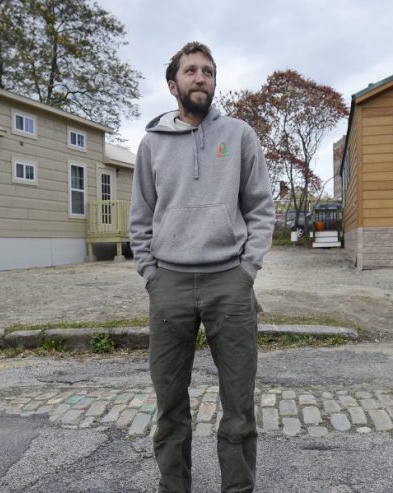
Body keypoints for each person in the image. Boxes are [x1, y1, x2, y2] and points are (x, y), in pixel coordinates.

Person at [129, 41, 275, 493]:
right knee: (170, 403)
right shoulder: (152, 144)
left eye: (208, 71)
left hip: (228, 282)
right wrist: (151, 274)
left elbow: (260, 208)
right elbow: (140, 216)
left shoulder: (239, 136)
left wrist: (247, 269)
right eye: (190, 71)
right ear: (173, 84)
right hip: (169, 283)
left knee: (239, 404)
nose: (200, 78)